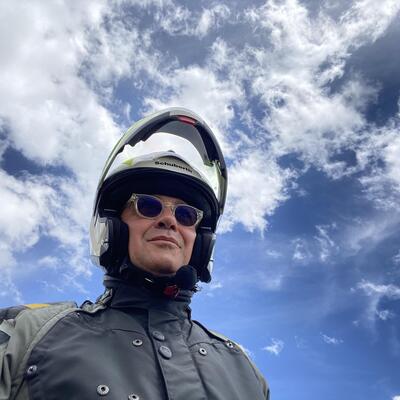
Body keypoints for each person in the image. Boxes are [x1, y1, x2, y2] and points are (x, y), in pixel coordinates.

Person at [0, 108, 270, 400]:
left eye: (186, 215)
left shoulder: (243, 369)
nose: (169, 221)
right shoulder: (28, 332)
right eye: (148, 206)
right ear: (112, 227)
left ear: (201, 243)